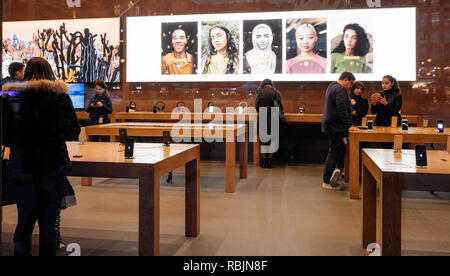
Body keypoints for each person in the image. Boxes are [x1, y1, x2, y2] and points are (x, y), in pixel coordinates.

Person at [2, 57, 81, 256]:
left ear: (26, 73)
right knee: (48, 227)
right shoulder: (60, 97)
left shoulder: (13, 97)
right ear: (50, 72)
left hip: (23, 166)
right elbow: (73, 131)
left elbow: (6, 136)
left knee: (24, 224)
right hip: (52, 167)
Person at [321, 72, 360, 190]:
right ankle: (327, 180)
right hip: (337, 127)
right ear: (346, 80)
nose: (351, 87)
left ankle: (337, 170)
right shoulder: (340, 89)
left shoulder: (332, 86)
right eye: (351, 84)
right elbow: (341, 108)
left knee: (340, 150)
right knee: (334, 152)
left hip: (333, 125)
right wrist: (349, 125)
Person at [256, 79, 284, 168]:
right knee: (273, 141)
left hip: (263, 118)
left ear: (263, 85)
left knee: (264, 140)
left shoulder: (260, 93)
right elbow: (280, 107)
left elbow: (257, 107)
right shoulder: (276, 93)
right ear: (271, 84)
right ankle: (270, 161)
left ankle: (264, 161)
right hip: (274, 118)